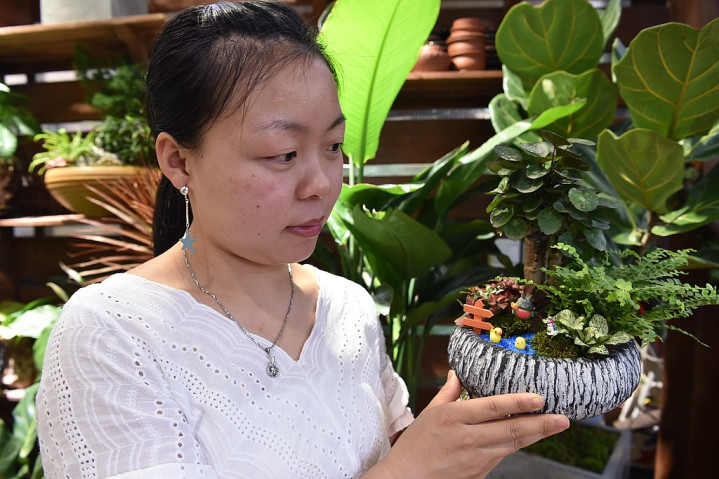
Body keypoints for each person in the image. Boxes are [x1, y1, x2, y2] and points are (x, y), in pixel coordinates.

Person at [35, 2, 569, 477]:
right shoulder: (113, 333)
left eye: (333, 147)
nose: (321, 184)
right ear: (178, 160)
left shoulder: (348, 307)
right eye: (283, 154)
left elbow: (393, 451)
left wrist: (451, 453)